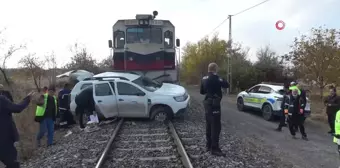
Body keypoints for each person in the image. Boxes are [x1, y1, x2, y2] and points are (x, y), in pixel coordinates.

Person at [200, 62, 229, 157]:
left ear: (208, 69)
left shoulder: (204, 78)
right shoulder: (217, 78)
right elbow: (227, 85)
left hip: (207, 104)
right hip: (214, 105)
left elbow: (202, 92)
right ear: (215, 69)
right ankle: (215, 148)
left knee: (208, 124)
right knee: (216, 126)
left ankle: (208, 145)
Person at [0, 91, 35, 168]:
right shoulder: (1, 99)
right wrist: (27, 99)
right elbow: (17, 108)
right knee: (13, 164)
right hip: (5, 140)